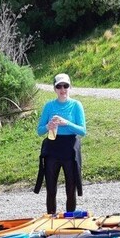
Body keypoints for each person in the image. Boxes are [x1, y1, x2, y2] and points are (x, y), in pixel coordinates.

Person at [34, 73, 86, 214]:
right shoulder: (49, 106)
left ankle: (70, 219)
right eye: (59, 86)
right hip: (53, 147)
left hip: (70, 149)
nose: (63, 89)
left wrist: (67, 123)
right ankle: (51, 219)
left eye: (65, 86)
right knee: (51, 188)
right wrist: (48, 126)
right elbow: (39, 131)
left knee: (71, 188)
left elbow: (82, 131)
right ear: (55, 89)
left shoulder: (76, 105)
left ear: (70, 87)